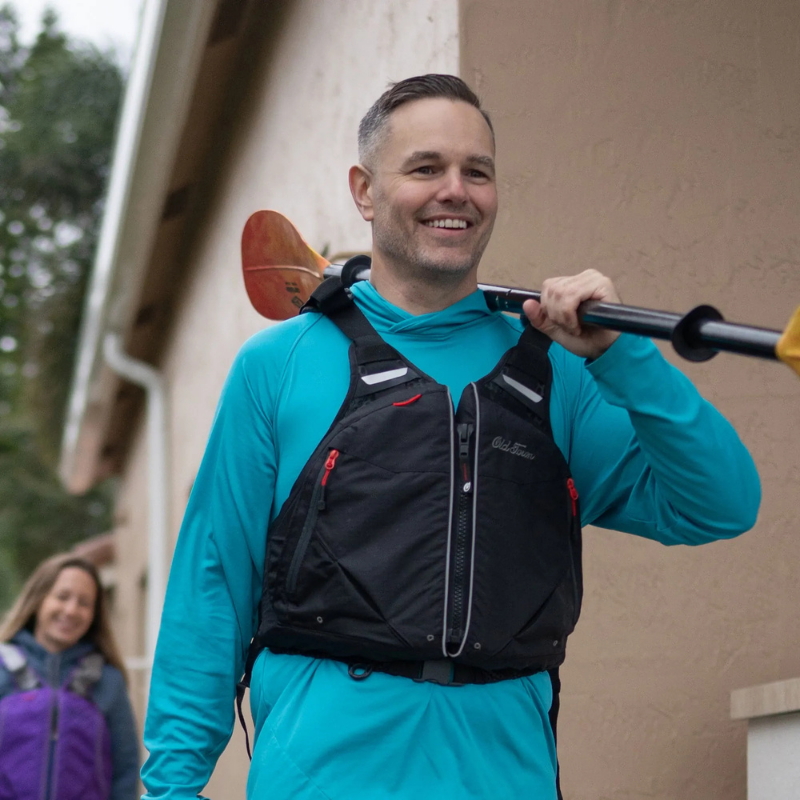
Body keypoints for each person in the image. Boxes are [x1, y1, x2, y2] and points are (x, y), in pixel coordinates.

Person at [140, 75, 760, 799]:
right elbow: (211, 592)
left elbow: (721, 504)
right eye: (426, 168)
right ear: (365, 191)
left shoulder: (560, 369)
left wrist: (623, 357)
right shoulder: (276, 367)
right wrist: (170, 789)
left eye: (478, 172)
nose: (456, 191)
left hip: (506, 776)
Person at [0, 553, 140, 800]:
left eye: (84, 603)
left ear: (94, 614)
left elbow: (125, 770)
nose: (71, 610)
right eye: (62, 597)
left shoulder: (108, 681)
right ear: (39, 599)